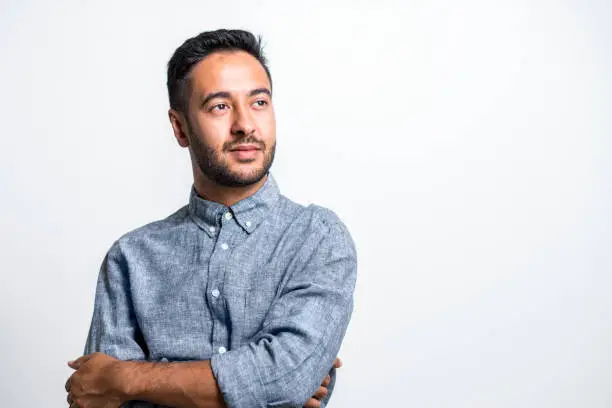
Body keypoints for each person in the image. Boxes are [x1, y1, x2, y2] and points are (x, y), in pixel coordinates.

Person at [64, 29, 358, 408]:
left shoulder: (317, 237)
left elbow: (284, 377)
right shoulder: (131, 258)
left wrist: (127, 379)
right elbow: (100, 399)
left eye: (259, 102)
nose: (245, 125)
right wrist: (260, 385)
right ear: (180, 127)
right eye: (220, 106)